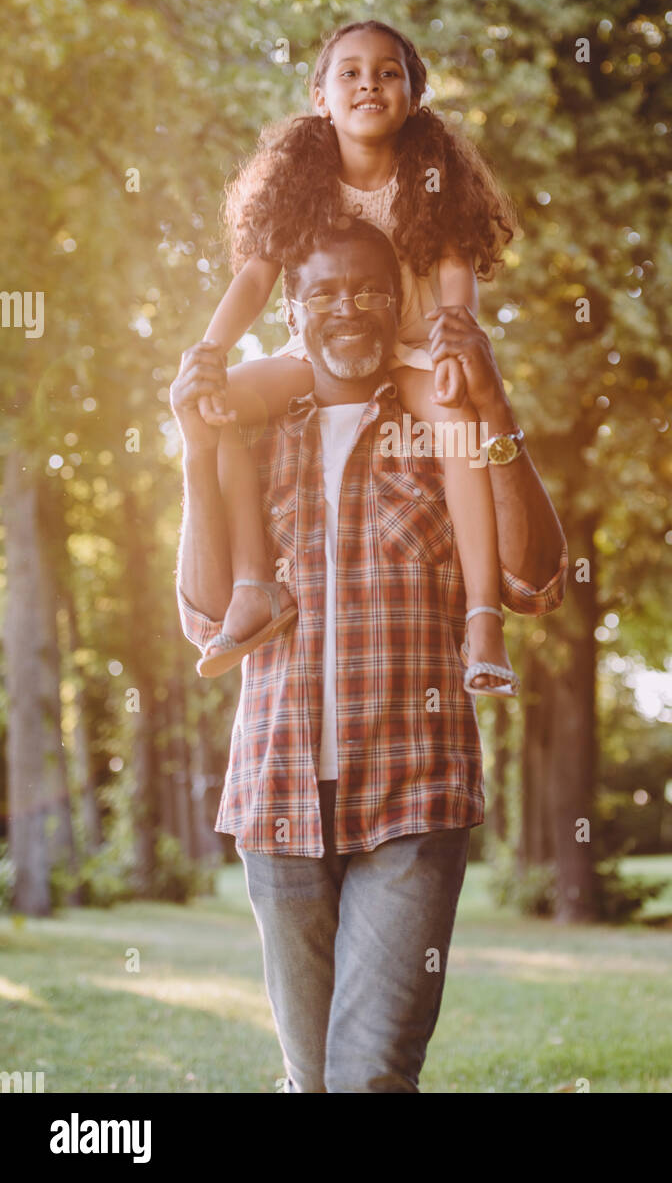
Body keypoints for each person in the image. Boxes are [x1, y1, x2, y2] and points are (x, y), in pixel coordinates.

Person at [171, 218, 567, 1093]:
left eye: (368, 290)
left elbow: (536, 579)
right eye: (322, 293)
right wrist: (198, 448)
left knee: (371, 1075)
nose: (346, 309)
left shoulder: (444, 413)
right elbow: (206, 616)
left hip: (413, 791)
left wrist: (496, 408)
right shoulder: (252, 426)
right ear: (292, 308)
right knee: (308, 1080)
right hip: (277, 795)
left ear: (402, 305)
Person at [195, 18, 520, 695]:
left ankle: (483, 617)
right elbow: (256, 279)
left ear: (412, 94)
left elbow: (455, 271)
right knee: (217, 406)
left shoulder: (428, 177)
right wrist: (211, 351)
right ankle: (256, 587)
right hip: (319, 351)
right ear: (320, 96)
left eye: (387, 72)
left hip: (407, 346)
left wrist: (455, 341)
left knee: (460, 421)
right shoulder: (301, 183)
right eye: (349, 72)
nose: (368, 83)